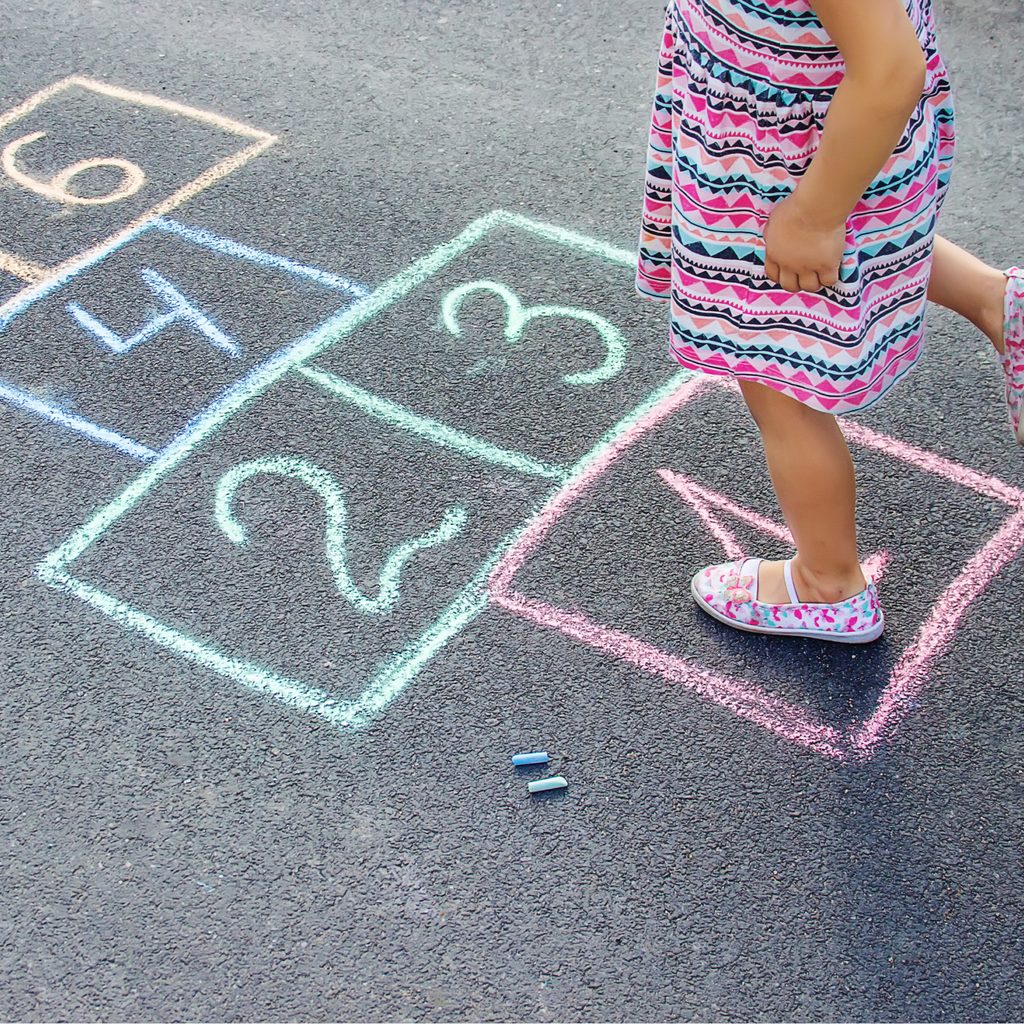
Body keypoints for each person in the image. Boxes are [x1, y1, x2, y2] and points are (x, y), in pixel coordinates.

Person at [636, 0, 1023, 644]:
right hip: (809, 137)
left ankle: (826, 582)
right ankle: (997, 301)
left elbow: (888, 72)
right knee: (866, 257)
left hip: (793, 168)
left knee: (774, 369)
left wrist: (814, 214)